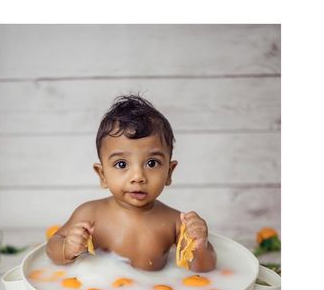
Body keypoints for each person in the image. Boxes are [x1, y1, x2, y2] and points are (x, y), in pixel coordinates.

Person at [46, 95, 216, 272]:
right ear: (103, 174)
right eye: (122, 164)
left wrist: (200, 244)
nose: (138, 176)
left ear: (169, 172)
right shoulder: (89, 214)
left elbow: (203, 269)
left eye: (152, 163)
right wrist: (68, 247)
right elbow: (52, 247)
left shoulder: (175, 222)